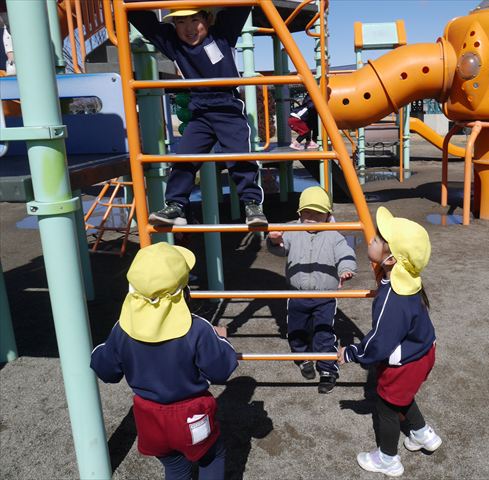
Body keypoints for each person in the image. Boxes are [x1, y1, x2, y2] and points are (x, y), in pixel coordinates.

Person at [91, 242, 238, 479]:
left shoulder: (123, 329)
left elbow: (106, 370)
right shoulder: (197, 329)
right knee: (211, 455)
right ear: (183, 290)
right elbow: (220, 370)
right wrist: (221, 340)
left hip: (149, 418)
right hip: (191, 415)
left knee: (175, 465)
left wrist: (102, 350)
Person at [128, 6, 267, 227]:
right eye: (181, 22)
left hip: (227, 108)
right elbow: (140, 16)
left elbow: (240, 7)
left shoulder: (222, 35)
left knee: (239, 156)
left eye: (195, 20)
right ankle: (176, 205)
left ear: (207, 19)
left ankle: (252, 204)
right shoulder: (174, 44)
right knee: (183, 158)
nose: (189, 28)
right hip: (200, 112)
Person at [338, 206, 441, 477]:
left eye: (378, 239)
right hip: (423, 352)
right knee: (401, 396)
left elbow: (379, 343)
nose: (371, 239)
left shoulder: (393, 298)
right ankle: (423, 434)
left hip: (405, 362)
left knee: (386, 406)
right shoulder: (409, 280)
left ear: (392, 259)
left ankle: (388, 459)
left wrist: (351, 352)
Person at [267, 186, 356, 393]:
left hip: (324, 296)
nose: (312, 218)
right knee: (296, 331)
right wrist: (275, 240)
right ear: (299, 213)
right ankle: (303, 358)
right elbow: (280, 249)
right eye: (307, 213)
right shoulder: (292, 230)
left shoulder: (334, 235)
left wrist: (346, 269)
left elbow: (345, 253)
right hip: (296, 294)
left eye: (318, 214)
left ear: (328, 215)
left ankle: (327, 369)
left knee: (324, 333)